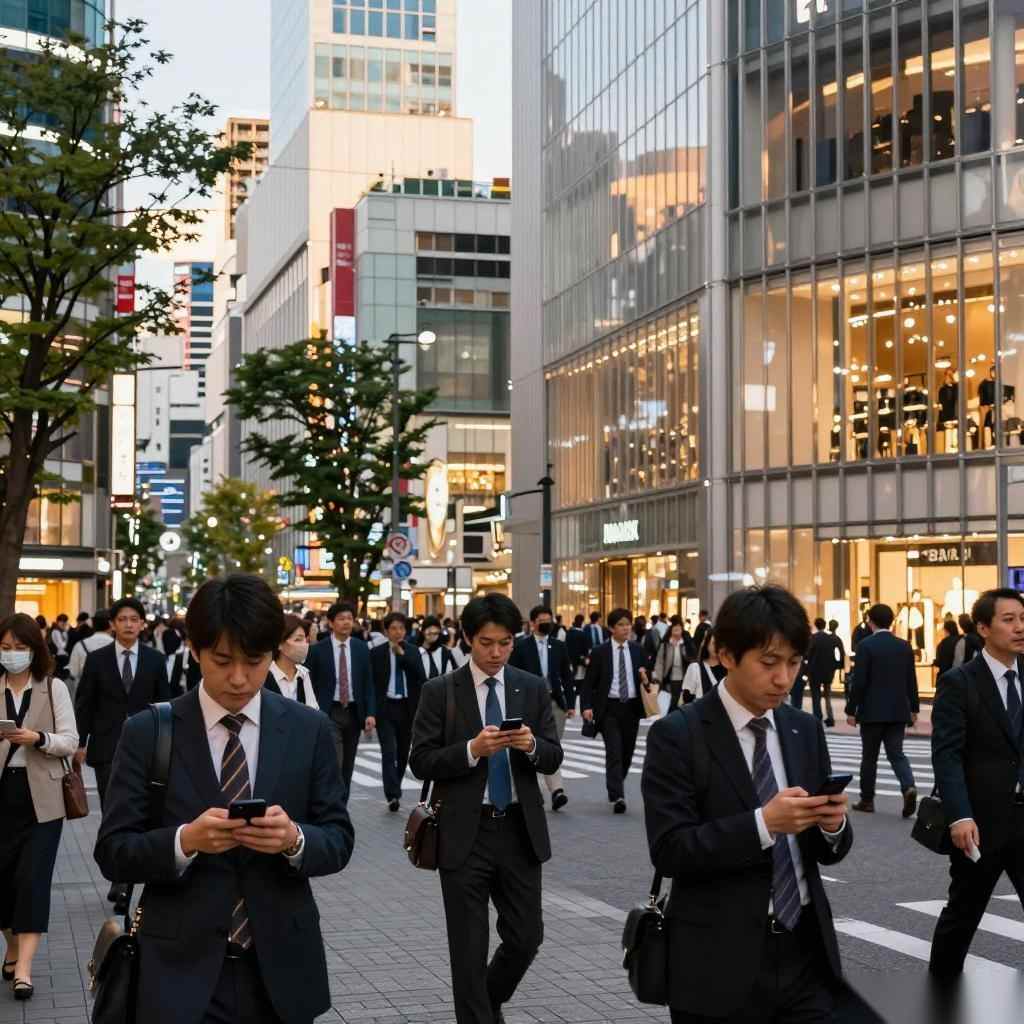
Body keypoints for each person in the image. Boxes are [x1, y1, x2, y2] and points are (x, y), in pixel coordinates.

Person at [94, 573, 354, 1024]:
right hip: (177, 970)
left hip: (282, 970)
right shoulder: (148, 732)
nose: (238, 678)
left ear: (274, 654)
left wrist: (294, 840)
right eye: (221, 660)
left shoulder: (307, 730)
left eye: (254, 661)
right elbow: (113, 851)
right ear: (194, 651)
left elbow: (338, 838)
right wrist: (184, 841)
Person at [641, 584, 852, 1023]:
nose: (784, 679)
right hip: (717, 964)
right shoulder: (678, 735)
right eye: (769, 662)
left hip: (804, 954)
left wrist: (831, 826)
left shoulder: (803, 729)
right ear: (725, 655)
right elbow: (670, 849)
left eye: (794, 663)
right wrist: (763, 824)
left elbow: (825, 850)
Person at [409, 593, 563, 1024]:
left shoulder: (530, 687)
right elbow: (420, 759)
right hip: (463, 831)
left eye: (505, 643)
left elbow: (553, 756)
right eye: (486, 643)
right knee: (468, 947)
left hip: (518, 829)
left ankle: (487, 999)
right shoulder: (441, 692)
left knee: (526, 936)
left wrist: (531, 744)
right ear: (467, 641)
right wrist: (471, 751)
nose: (496, 653)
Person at [928, 588, 1024, 978]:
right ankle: (940, 995)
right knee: (963, 914)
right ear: (983, 628)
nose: (1019, 627)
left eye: (1022, 617)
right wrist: (960, 816)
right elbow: (947, 755)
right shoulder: (959, 682)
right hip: (981, 825)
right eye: (1008, 619)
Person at [74, 597, 175, 910]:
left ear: (142, 623)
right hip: (106, 749)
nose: (129, 624)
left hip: (148, 749)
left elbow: (165, 705)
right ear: (113, 624)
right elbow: (85, 703)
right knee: (113, 811)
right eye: (123, 619)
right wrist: (79, 742)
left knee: (145, 810)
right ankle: (121, 879)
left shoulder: (156, 660)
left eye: (135, 619)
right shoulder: (98, 659)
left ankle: (134, 874)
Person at [0, 614, 79, 1003]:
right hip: (2, 795)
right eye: (6, 647)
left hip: (42, 800)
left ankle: (25, 970)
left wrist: (38, 738)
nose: (13, 655)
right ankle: (12, 950)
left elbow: (69, 740)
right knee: (3, 881)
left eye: (20, 647)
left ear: (36, 650)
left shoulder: (53, 688)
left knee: (32, 881)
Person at [844, 603, 919, 818]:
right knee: (896, 753)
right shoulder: (904, 646)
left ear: (870, 621)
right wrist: (913, 707)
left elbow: (860, 682)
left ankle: (867, 800)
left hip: (872, 710)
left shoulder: (866, 646)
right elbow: (910, 680)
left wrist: (851, 710)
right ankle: (908, 786)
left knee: (870, 756)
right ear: (892, 621)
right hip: (898, 710)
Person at [581, 608, 649, 814]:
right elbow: (589, 682)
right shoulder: (600, 651)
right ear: (611, 628)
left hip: (632, 707)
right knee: (614, 751)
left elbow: (648, 677)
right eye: (621, 624)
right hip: (608, 708)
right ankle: (617, 795)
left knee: (627, 752)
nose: (626, 628)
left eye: (628, 624)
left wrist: (645, 677)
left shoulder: (637, 649)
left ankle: (617, 782)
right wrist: (586, 707)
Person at [306, 601, 376, 802]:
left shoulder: (361, 648)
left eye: (349, 619)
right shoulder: (319, 649)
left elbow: (368, 683)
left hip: (354, 713)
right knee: (335, 762)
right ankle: (331, 803)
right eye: (341, 618)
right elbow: (310, 682)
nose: (346, 623)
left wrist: (370, 713)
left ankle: (341, 807)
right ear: (331, 622)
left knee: (347, 766)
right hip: (329, 712)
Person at [508, 604, 574, 811]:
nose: (547, 623)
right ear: (533, 623)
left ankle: (557, 791)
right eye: (543, 620)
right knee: (531, 745)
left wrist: (570, 704)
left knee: (551, 745)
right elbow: (513, 675)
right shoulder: (521, 646)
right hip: (529, 704)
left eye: (549, 620)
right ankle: (542, 791)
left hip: (555, 702)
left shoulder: (559, 646)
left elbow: (567, 676)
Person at [370, 611, 426, 812]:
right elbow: (372, 683)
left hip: (407, 707)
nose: (397, 632)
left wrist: (403, 657)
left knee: (403, 753)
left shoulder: (412, 651)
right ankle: (392, 794)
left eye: (401, 628)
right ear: (386, 631)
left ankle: (396, 786)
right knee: (389, 751)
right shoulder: (377, 653)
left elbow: (421, 677)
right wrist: (371, 712)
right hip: (386, 708)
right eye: (393, 628)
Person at [264, 614, 318, 708]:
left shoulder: (303, 673)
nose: (304, 645)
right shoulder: (265, 675)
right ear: (279, 644)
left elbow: (313, 710)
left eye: (305, 639)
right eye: (298, 640)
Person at [66, 609, 113, 694]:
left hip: (85, 695)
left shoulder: (80, 645)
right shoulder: (118, 646)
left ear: (93, 625)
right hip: (111, 696)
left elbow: (73, 672)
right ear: (111, 624)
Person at [803, 619, 837, 727]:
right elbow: (835, 653)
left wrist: (806, 668)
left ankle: (818, 717)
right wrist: (836, 665)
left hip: (815, 671)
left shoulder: (813, 638)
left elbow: (808, 653)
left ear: (816, 626)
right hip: (827, 671)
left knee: (816, 696)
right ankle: (830, 717)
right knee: (827, 695)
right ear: (825, 625)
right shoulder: (830, 638)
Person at [680, 629, 726, 705]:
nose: (717, 647)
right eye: (714, 644)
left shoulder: (729, 669)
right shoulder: (695, 668)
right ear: (707, 644)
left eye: (720, 644)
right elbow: (687, 698)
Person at [653, 620, 690, 708]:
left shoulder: (686, 644)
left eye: (679, 628)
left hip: (683, 678)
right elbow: (659, 662)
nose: (677, 630)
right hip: (668, 679)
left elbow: (691, 658)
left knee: (681, 702)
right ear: (671, 630)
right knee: (669, 702)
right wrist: (658, 678)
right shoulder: (665, 645)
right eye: (675, 628)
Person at [48, 614, 70, 679]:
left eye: (65, 621)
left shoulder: (63, 631)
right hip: (59, 657)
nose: (63, 623)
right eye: (62, 621)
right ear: (58, 622)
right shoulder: (55, 631)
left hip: (64, 656)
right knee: (61, 676)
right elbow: (61, 646)